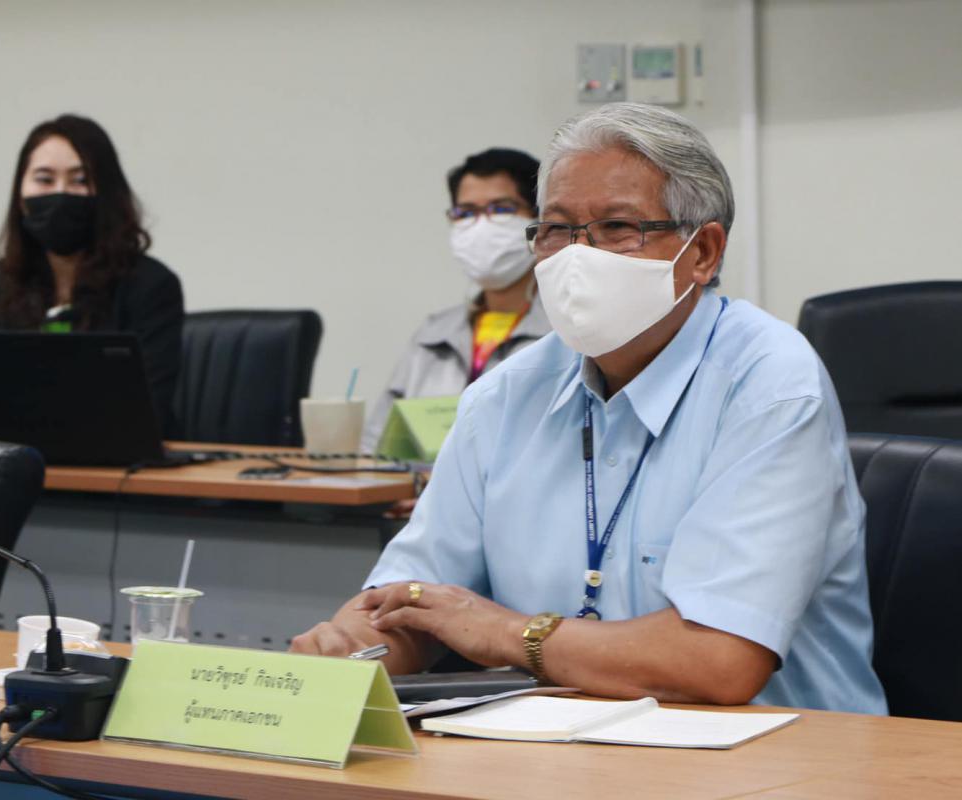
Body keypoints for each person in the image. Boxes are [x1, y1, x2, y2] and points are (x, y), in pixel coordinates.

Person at [292, 103, 887, 715]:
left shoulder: (770, 385)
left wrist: (505, 632)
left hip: (782, 750)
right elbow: (414, 600)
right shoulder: (505, 393)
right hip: (558, 744)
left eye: (617, 227)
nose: (577, 256)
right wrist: (351, 644)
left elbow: (718, 662)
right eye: (556, 230)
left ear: (703, 252)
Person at [0, 114, 183, 435]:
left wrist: (14, 420)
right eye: (44, 180)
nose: (61, 193)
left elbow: (147, 413)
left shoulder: (150, 285)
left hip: (119, 463)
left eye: (80, 180)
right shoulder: (7, 278)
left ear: (107, 194)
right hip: (22, 461)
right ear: (20, 196)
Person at [361, 148, 551, 454]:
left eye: (501, 209)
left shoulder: (565, 334)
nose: (481, 226)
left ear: (540, 219)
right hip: (421, 486)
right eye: (466, 213)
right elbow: (375, 446)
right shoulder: (433, 335)